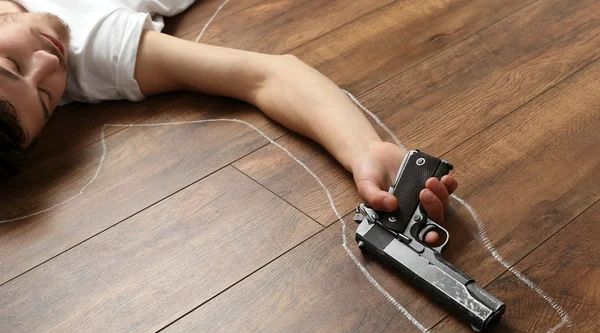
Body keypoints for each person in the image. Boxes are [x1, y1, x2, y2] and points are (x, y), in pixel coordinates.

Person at [0, 0, 457, 243]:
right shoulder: (96, 50)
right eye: (45, 98)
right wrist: (363, 148)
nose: (48, 61)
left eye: (10, 63)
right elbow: (266, 76)